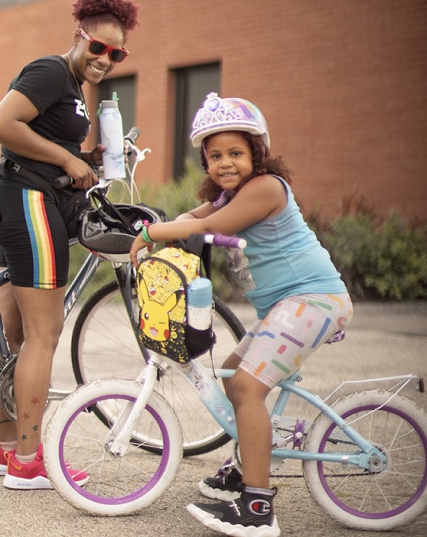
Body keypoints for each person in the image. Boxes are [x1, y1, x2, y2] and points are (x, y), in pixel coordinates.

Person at [130, 93, 353, 536]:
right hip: (287, 307)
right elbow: (197, 214)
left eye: (236, 152)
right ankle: (245, 466)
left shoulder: (266, 188)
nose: (225, 162)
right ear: (205, 162)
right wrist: (153, 227)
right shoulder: (232, 194)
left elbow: (207, 227)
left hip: (314, 300)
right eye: (215, 155)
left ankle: (257, 508)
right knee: (234, 376)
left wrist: (150, 233)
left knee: (247, 386)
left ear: (258, 152)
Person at [0, 0, 139, 490]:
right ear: (79, 36)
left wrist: (90, 158)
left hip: (23, 197)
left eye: (117, 54)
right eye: (98, 47)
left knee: (13, 332)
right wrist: (68, 159)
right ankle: (30, 462)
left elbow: (50, 148)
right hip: (30, 204)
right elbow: (1, 124)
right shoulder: (52, 71)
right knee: (43, 334)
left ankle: (7, 448)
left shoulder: (73, 87)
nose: (105, 60)